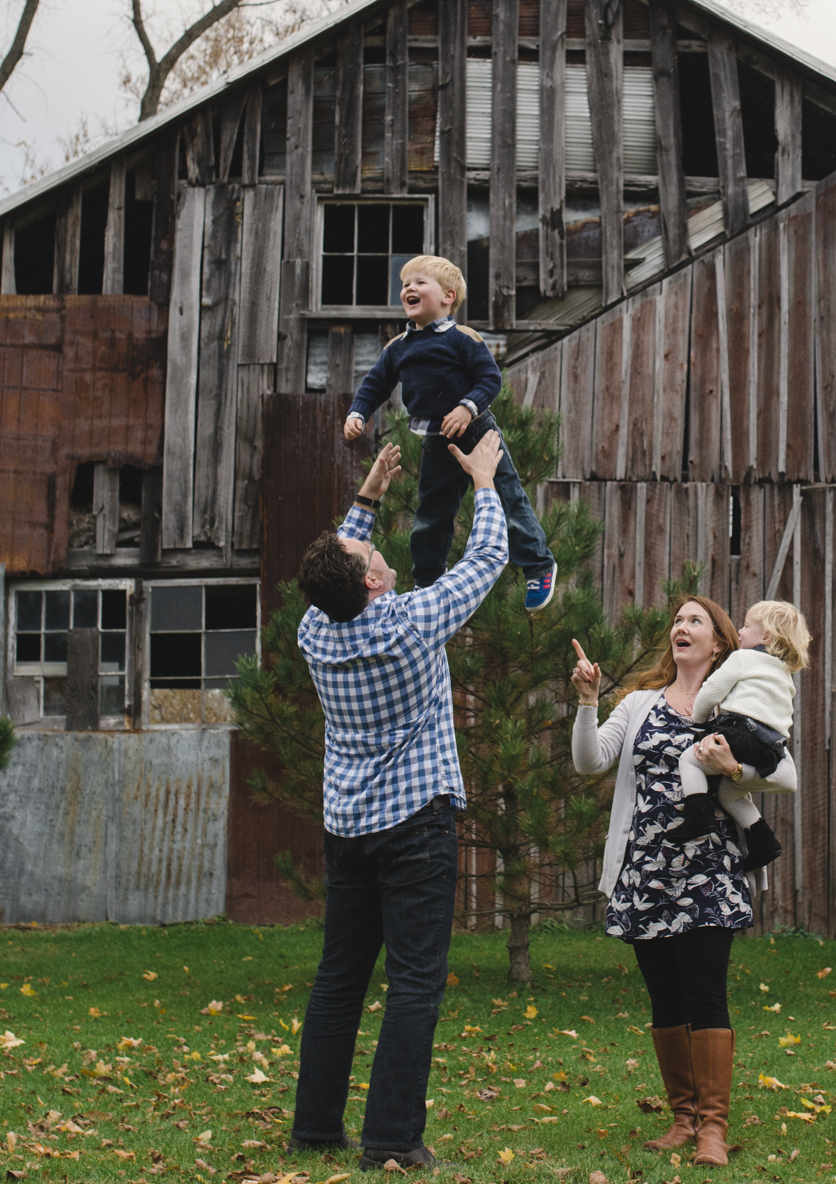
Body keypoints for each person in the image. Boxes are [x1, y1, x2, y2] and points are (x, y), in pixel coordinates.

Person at [287, 430, 507, 1173]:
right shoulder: (412, 624)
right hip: (415, 826)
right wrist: (483, 483)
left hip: (348, 828)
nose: (374, 550)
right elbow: (485, 561)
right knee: (414, 980)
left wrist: (369, 495)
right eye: (372, 554)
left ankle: (316, 1126)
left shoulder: (316, 630)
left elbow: (335, 568)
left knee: (339, 977)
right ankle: (390, 1138)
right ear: (378, 583)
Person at [569, 599, 799, 1168]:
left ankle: (713, 1129)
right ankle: (682, 1118)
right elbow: (590, 760)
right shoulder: (640, 703)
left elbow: (784, 775)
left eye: (694, 620)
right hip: (646, 869)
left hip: (707, 870)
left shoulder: (737, 705)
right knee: (665, 997)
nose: (681, 627)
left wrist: (732, 770)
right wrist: (587, 701)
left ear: (720, 642)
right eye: (676, 620)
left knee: (704, 992)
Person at [342, 255, 559, 612]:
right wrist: (358, 413)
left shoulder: (463, 339)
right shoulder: (397, 348)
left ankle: (537, 565)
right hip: (435, 439)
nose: (408, 288)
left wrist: (466, 406)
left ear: (448, 296)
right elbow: (375, 385)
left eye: (418, 283)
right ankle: (427, 582)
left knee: (507, 499)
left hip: (477, 432)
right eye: (405, 285)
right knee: (431, 514)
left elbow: (490, 379)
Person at [663, 600, 813, 873]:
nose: (739, 632)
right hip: (771, 748)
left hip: (741, 733)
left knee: (690, 760)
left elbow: (710, 691)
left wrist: (698, 717)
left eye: (745, 626)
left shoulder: (743, 658)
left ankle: (698, 816)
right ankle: (763, 842)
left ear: (765, 636)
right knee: (730, 793)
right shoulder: (784, 673)